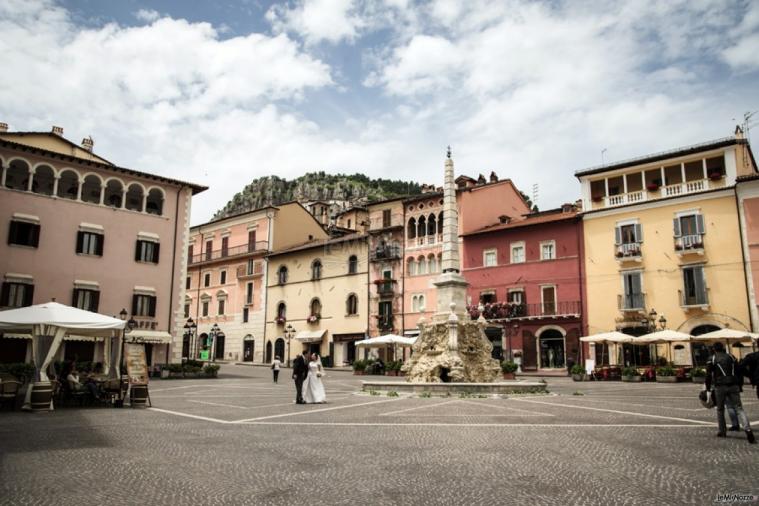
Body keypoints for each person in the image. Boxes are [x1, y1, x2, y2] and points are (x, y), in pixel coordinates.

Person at [705, 342, 755, 444]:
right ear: (723, 348)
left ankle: (722, 431)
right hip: (733, 385)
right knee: (739, 408)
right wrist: (750, 377)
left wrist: (708, 389)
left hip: (720, 386)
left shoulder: (712, 358)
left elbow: (708, 375)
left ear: (714, 349)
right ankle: (748, 430)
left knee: (720, 409)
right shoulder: (731, 357)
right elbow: (740, 369)